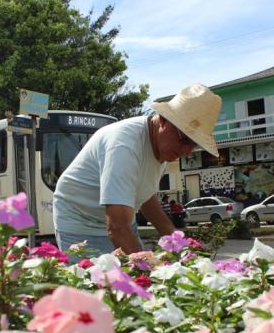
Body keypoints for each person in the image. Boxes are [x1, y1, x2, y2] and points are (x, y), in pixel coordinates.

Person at [53, 83, 222, 254]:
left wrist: (182, 247)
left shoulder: (164, 147)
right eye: (184, 138)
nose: (187, 151)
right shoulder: (124, 145)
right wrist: (147, 270)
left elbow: (145, 196)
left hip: (121, 222)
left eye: (194, 144)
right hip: (80, 223)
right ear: (163, 120)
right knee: (100, 279)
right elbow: (117, 227)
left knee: (134, 270)